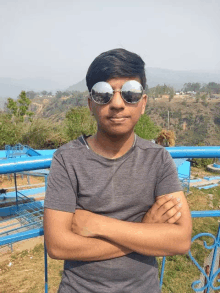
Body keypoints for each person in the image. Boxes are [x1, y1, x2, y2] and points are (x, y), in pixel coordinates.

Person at [44, 48, 192, 293]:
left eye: (130, 93)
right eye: (103, 93)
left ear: (143, 103)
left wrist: (99, 225)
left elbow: (180, 240)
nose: (116, 104)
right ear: (91, 104)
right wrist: (146, 230)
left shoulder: (158, 159)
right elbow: (58, 246)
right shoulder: (67, 160)